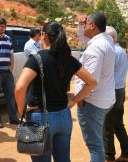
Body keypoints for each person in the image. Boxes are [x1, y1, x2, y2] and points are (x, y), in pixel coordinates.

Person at [15, 21, 97, 162]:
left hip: (41, 117)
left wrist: (21, 109)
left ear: (44, 36)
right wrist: (72, 101)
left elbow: (19, 88)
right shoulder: (69, 59)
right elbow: (92, 82)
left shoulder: (36, 59)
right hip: (64, 116)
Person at [76, 12, 116, 162]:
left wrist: (77, 98)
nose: (84, 26)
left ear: (92, 25)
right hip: (104, 99)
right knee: (97, 141)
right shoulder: (106, 41)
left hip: (92, 102)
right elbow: (85, 38)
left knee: (95, 146)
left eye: (86, 24)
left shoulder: (96, 48)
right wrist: (81, 25)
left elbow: (90, 81)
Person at [103, 26, 128, 162]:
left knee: (107, 126)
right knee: (117, 124)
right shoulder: (121, 50)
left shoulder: (112, 52)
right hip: (120, 90)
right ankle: (127, 153)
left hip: (112, 92)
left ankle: (109, 156)